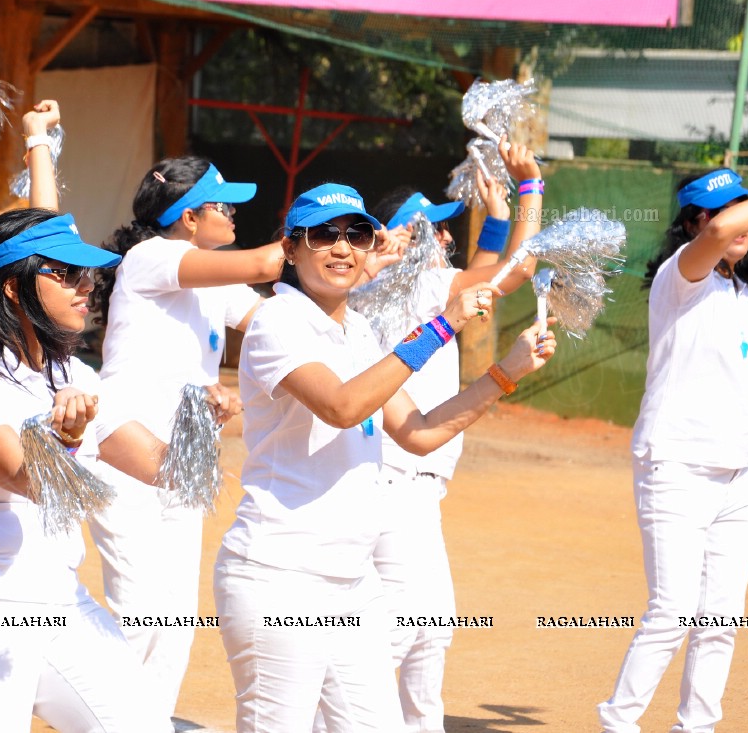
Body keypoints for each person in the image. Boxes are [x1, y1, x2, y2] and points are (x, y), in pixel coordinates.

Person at [214, 182, 557, 732]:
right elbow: (342, 406)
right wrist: (442, 325)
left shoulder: (360, 332)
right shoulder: (278, 321)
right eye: (323, 234)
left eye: (356, 233)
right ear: (292, 248)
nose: (342, 246)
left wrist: (505, 374)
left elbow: (417, 432)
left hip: (352, 582)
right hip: (279, 576)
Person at [0, 207, 172, 732]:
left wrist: (225, 415)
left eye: (87, 273)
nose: (86, 285)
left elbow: (158, 465)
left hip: (59, 599)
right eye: (66, 272)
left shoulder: (72, 372)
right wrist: (66, 438)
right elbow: (24, 477)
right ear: (12, 288)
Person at [597, 167, 748, 733]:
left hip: (735, 474)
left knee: (722, 618)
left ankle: (696, 726)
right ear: (692, 224)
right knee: (672, 613)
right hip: (675, 464)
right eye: (716, 211)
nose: (733, 222)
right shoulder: (683, 277)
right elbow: (723, 230)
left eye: (739, 207)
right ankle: (617, 723)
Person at [354, 139, 544, 733]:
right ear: (393, 242)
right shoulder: (421, 287)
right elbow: (517, 270)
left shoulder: (404, 287)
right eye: (426, 229)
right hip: (397, 478)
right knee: (402, 631)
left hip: (413, 482)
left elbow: (486, 268)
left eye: (440, 229)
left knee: (429, 631)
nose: (441, 237)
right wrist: (530, 189)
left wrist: (500, 217)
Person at [85, 156, 285, 723]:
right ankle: (100, 711)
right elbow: (272, 261)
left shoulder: (211, 276)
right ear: (190, 217)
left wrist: (368, 273)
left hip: (183, 458)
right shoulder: (153, 256)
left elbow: (277, 323)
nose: (234, 212)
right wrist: (330, 235)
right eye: (224, 204)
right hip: (127, 450)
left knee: (172, 619)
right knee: (141, 612)